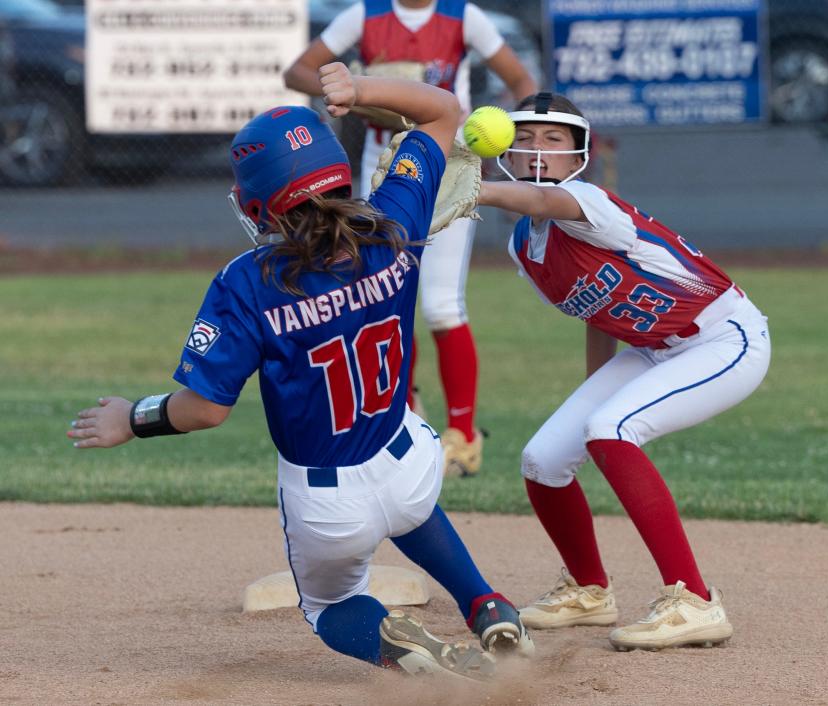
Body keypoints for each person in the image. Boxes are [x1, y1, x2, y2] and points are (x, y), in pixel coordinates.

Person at [66, 63, 532, 680]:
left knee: (330, 606)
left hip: (326, 502)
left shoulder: (248, 281)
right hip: (411, 458)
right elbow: (443, 108)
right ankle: (487, 604)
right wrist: (359, 90)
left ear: (260, 203)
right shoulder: (393, 224)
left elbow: (206, 407)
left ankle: (403, 647)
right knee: (410, 509)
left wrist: (134, 417)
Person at [478, 92, 772, 651]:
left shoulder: (585, 200)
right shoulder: (526, 245)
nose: (537, 150)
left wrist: (476, 191)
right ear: (506, 153)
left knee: (613, 428)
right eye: (526, 138)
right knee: (543, 459)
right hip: (654, 346)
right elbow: (597, 310)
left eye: (554, 139)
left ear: (578, 156)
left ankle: (694, 602)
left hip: (722, 336)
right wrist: (593, 390)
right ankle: (589, 590)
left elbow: (544, 203)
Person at [283, 0, 537, 477]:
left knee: (442, 305)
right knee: (386, 291)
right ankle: (402, 415)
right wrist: (360, 87)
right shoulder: (365, 15)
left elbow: (521, 81)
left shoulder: (463, 16)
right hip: (381, 162)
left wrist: (511, 135)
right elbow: (298, 72)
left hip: (446, 162)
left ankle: (463, 435)